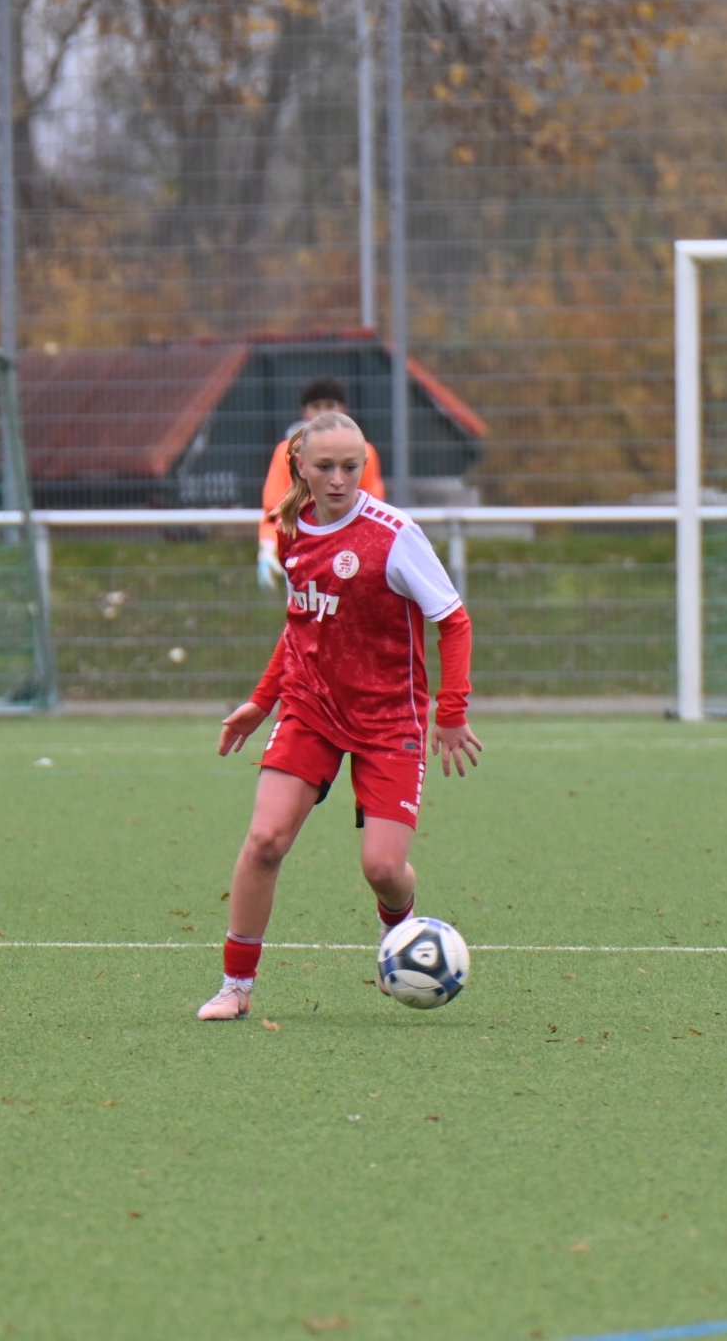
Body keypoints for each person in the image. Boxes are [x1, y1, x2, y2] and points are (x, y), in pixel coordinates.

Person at [200, 410, 478, 1021]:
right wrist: (262, 701)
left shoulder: (395, 535)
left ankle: (398, 929)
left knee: (383, 867)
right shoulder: (289, 527)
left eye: (351, 467)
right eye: (325, 466)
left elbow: (453, 622)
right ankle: (235, 986)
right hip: (312, 707)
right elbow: (302, 625)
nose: (338, 479)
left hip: (389, 719)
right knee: (265, 841)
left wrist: (452, 711)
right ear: (298, 465)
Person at [257, 377, 383, 591]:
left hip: (351, 555)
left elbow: (374, 511)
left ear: (343, 409)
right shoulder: (286, 454)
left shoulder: (364, 453)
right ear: (305, 412)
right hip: (302, 553)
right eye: (316, 407)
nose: (323, 414)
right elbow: (273, 512)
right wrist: (267, 551)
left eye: (330, 406)